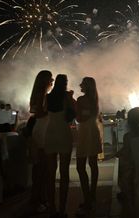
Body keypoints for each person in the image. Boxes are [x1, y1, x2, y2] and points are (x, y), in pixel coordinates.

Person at [45, 74, 76, 218]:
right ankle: (62, 209)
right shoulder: (66, 97)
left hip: (50, 134)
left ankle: (51, 208)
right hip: (63, 133)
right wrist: (71, 99)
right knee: (64, 173)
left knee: (50, 174)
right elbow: (71, 116)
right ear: (65, 83)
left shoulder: (48, 97)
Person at [75, 77, 102, 216]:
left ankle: (87, 198)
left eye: (82, 84)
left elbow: (79, 118)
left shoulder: (81, 100)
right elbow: (88, 115)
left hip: (85, 131)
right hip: (93, 130)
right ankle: (92, 194)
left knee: (80, 166)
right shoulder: (95, 100)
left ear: (86, 86)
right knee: (93, 164)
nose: (80, 85)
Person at [28, 70, 53, 214]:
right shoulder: (43, 95)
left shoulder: (37, 94)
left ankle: (38, 198)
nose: (52, 82)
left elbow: (34, 111)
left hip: (40, 129)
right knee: (42, 167)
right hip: (42, 130)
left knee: (40, 167)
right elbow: (40, 113)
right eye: (51, 79)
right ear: (45, 81)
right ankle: (39, 199)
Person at [116, 107, 139, 203]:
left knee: (121, 166)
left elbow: (126, 152)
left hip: (133, 167)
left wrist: (116, 154)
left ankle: (125, 192)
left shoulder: (127, 136)